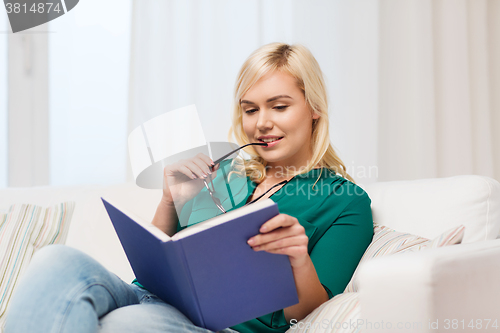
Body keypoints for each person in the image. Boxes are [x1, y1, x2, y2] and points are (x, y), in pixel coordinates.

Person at [5, 43, 373, 333]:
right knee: (54, 259)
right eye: (249, 110)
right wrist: (169, 201)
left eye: (278, 106)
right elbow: (153, 266)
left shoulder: (344, 201)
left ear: (314, 109)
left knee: (122, 325)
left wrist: (297, 260)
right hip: (145, 297)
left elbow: (308, 314)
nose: (261, 123)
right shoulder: (226, 175)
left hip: (217, 326)